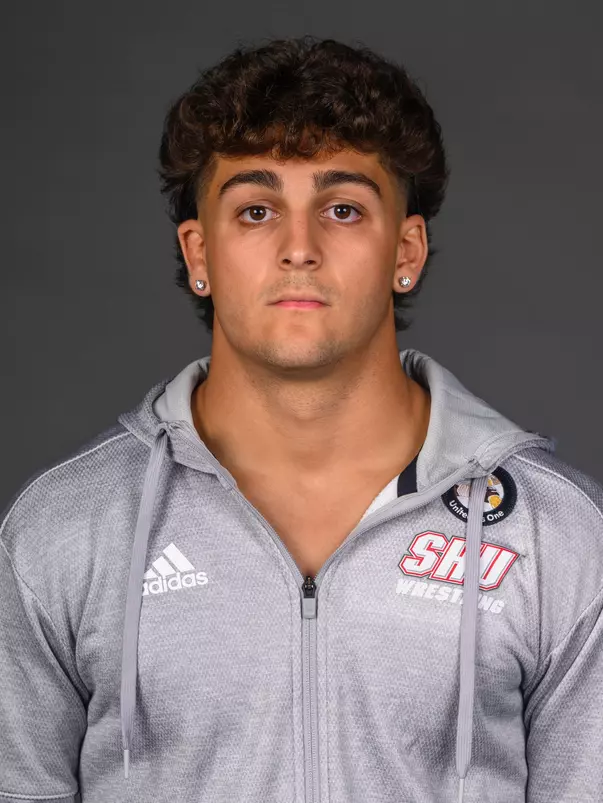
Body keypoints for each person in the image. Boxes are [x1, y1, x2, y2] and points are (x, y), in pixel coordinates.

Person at [1, 34, 602, 803]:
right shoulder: (62, 530)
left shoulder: (556, 536)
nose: (298, 248)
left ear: (405, 249)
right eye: (255, 210)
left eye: (342, 208)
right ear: (199, 254)